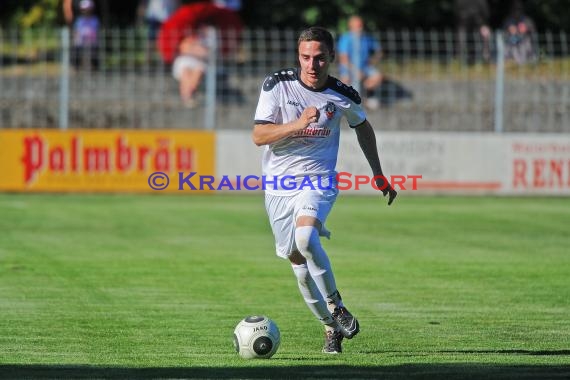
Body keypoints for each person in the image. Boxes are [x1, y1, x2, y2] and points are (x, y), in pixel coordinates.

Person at [252, 26, 397, 354]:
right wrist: (296, 124)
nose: (311, 65)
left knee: (306, 240)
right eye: (305, 57)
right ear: (298, 56)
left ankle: (337, 305)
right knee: (297, 265)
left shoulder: (342, 94)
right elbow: (259, 136)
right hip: (277, 186)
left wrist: (378, 174)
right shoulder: (277, 85)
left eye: (319, 58)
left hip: (318, 180)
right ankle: (330, 328)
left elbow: (363, 128)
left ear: (331, 57)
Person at [337, 15, 383, 110]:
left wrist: (372, 61)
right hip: (348, 69)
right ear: (351, 27)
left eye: (361, 25)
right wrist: (355, 71)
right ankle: (344, 105)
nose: (360, 28)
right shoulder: (345, 39)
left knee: (377, 77)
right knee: (345, 81)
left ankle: (366, 96)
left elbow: (379, 52)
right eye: (358, 26)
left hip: (365, 68)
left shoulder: (366, 38)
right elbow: (343, 59)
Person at [172, 30, 209, 108]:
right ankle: (188, 95)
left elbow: (206, 53)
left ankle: (188, 94)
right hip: (185, 62)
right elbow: (184, 49)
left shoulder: (206, 39)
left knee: (198, 71)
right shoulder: (187, 39)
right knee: (186, 72)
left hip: (198, 63)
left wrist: (194, 49)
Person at [70, 0, 100, 70]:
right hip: (81, 43)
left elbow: (97, 32)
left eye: (88, 9)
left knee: (93, 53)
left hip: (92, 43)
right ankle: (77, 67)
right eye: (84, 9)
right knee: (76, 51)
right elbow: (76, 33)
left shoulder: (95, 20)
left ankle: (93, 67)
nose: (86, 11)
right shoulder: (79, 20)